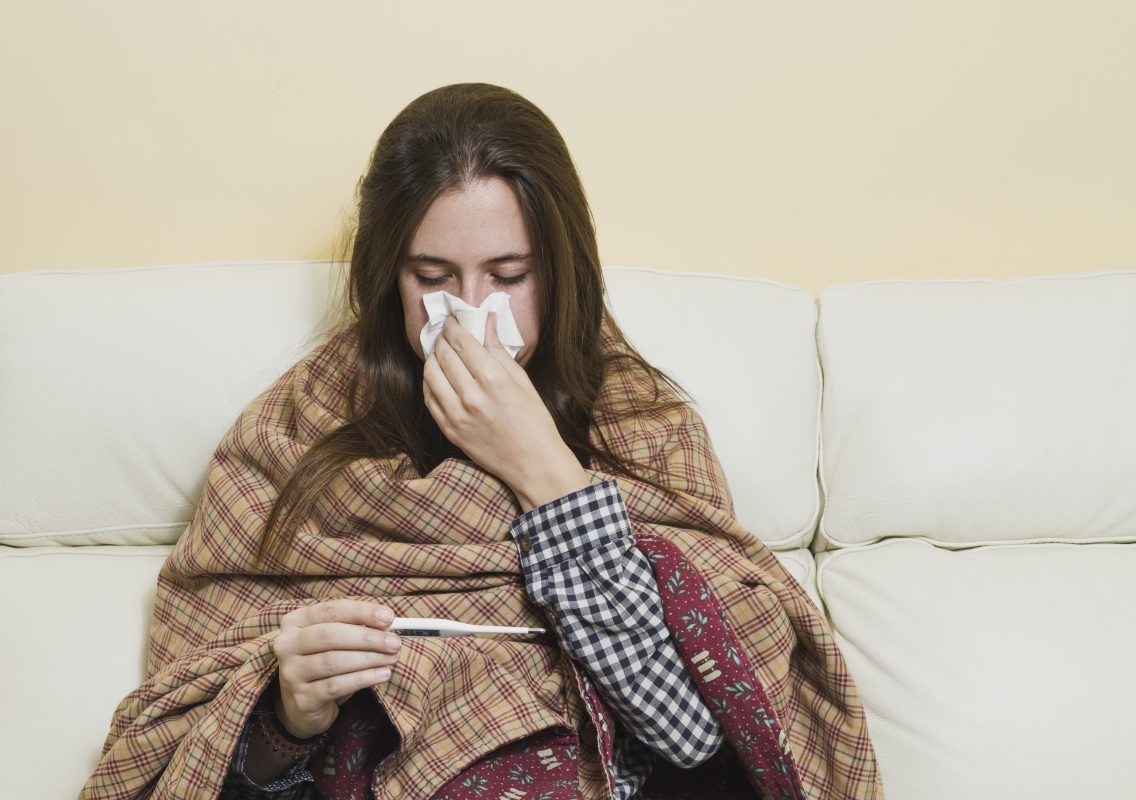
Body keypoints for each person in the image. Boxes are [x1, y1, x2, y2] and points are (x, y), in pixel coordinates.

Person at [82, 84, 882, 800]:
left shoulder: (645, 426)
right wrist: (288, 718)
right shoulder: (296, 435)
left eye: (508, 275)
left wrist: (545, 472)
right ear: (387, 277)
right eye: (433, 278)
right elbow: (203, 747)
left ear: (561, 271)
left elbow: (694, 733)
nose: (470, 315)